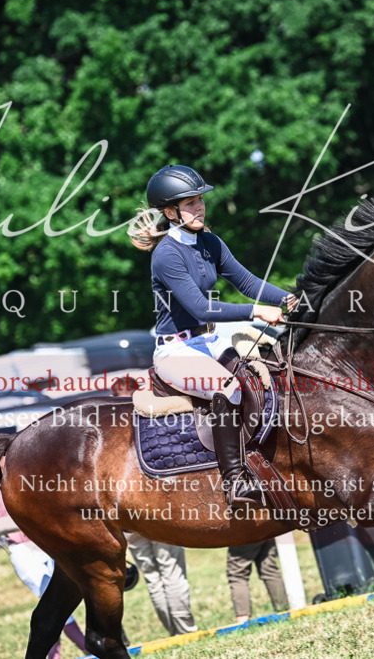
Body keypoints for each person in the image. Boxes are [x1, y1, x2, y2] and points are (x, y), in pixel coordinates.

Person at [129, 164, 296, 506]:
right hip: (176, 351)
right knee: (227, 387)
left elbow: (248, 282)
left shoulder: (209, 242)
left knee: (267, 371)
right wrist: (256, 311)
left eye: (200, 200)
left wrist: (292, 299)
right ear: (169, 211)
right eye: (189, 203)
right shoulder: (166, 255)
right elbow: (202, 309)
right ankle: (234, 480)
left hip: (209, 342)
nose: (199, 207)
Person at [0, 492, 86, 658]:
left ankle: (54, 655)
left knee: (55, 604)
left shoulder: (25, 472)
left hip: (45, 543)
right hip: (22, 549)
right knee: (53, 603)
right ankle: (85, 646)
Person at [125, 532, 197, 636]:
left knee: (153, 580)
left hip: (130, 526)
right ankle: (186, 630)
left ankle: (174, 631)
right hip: (160, 522)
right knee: (172, 572)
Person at [226, 539, 288, 624]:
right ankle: (284, 613)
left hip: (246, 532)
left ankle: (243, 623)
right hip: (270, 529)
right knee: (269, 568)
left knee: (237, 573)